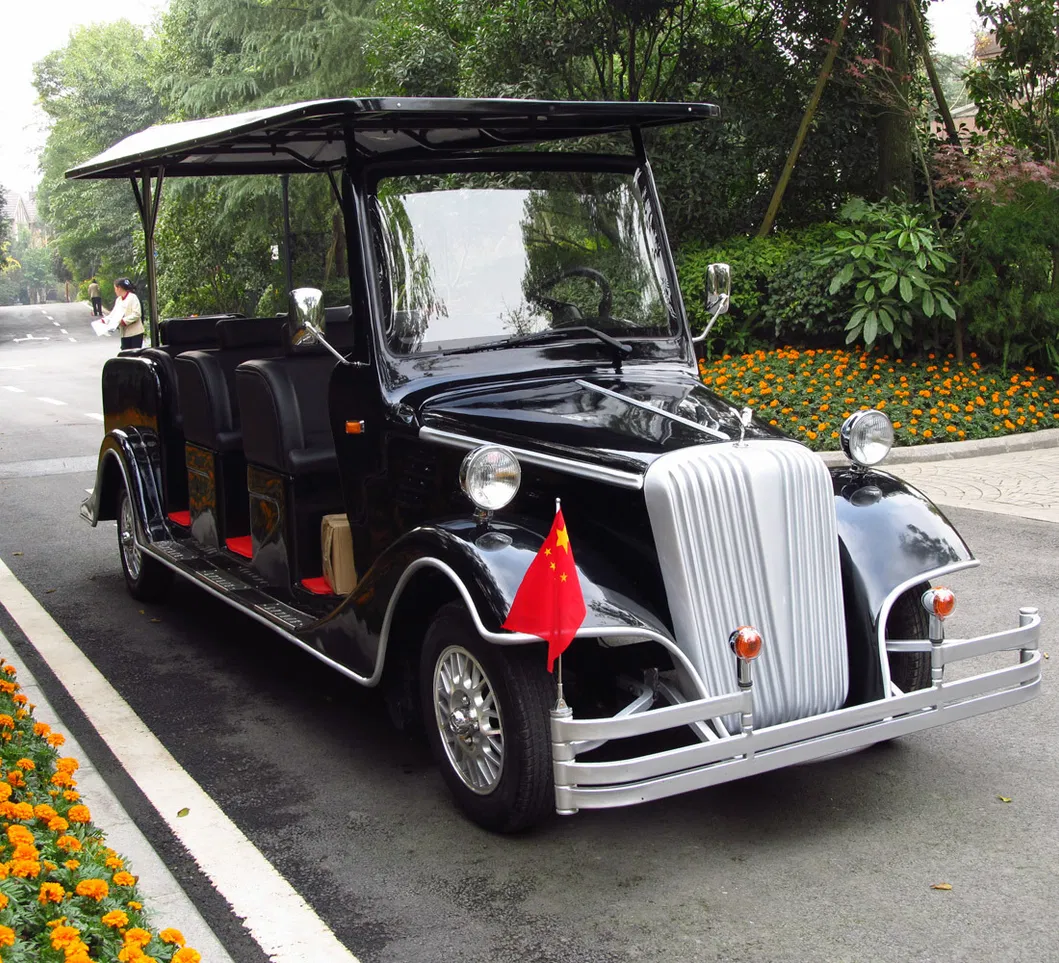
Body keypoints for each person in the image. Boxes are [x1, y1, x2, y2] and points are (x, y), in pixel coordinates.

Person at [109, 278, 144, 349]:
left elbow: (137, 314)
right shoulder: (118, 300)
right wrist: (105, 321)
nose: (115, 291)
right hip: (124, 334)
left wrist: (124, 321)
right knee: (125, 355)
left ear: (119, 288)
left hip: (135, 333)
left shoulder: (133, 297)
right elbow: (113, 313)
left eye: (115, 288)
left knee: (134, 355)